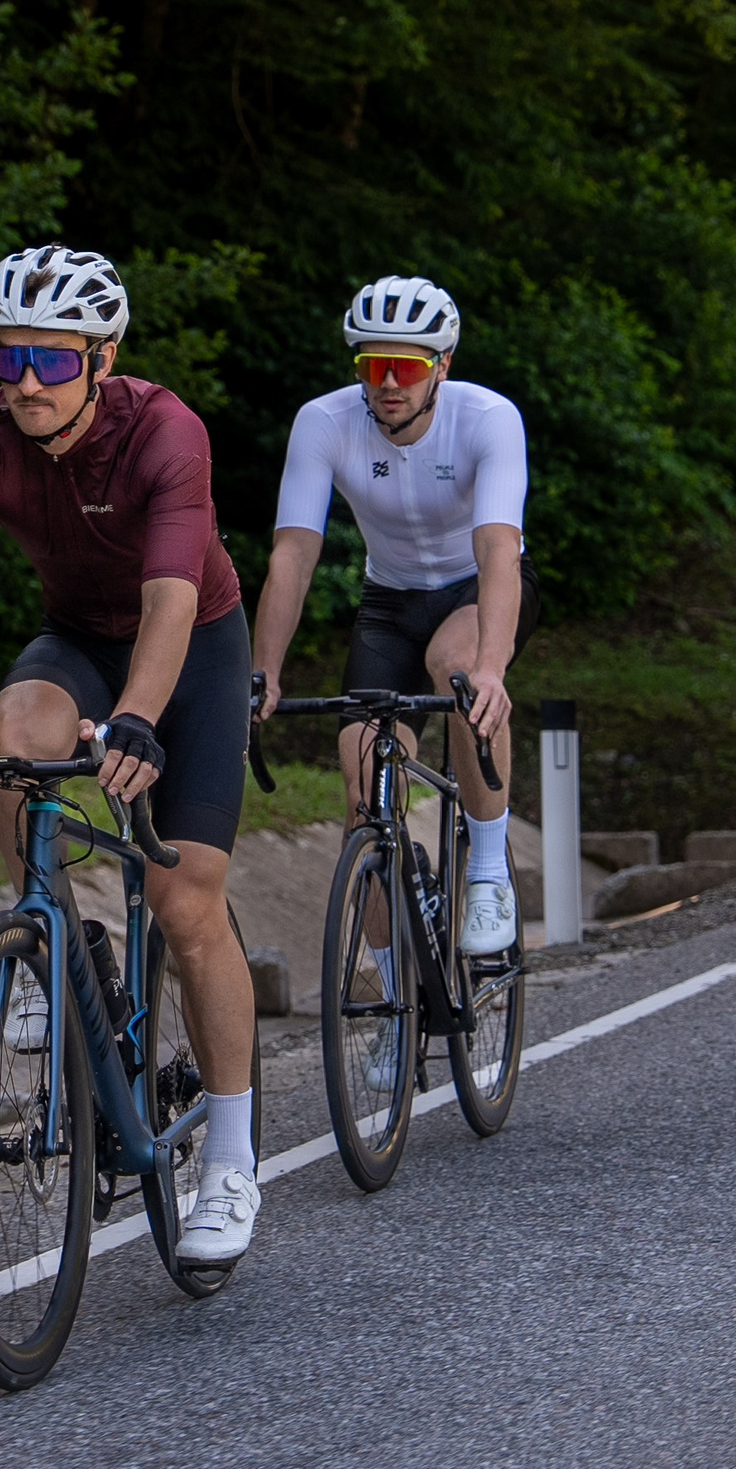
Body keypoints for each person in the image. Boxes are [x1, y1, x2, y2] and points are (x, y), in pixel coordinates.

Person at [0, 245, 264, 1264]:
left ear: (103, 353)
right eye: (10, 360)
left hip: (195, 644)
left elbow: (171, 597)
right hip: (79, 638)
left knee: (187, 899)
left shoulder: (164, 430)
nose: (29, 382)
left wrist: (136, 715)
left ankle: (230, 1157)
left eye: (53, 358)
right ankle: (50, 944)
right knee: (14, 736)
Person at [254, 277, 533, 963]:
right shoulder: (324, 422)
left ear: (441, 366)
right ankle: (386, 993)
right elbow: (293, 555)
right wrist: (263, 671)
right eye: (370, 366)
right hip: (390, 602)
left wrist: (494, 666)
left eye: (404, 367)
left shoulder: (488, 417)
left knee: (460, 669)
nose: (385, 383)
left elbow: (499, 546)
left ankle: (489, 871)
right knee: (362, 789)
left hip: (478, 588)